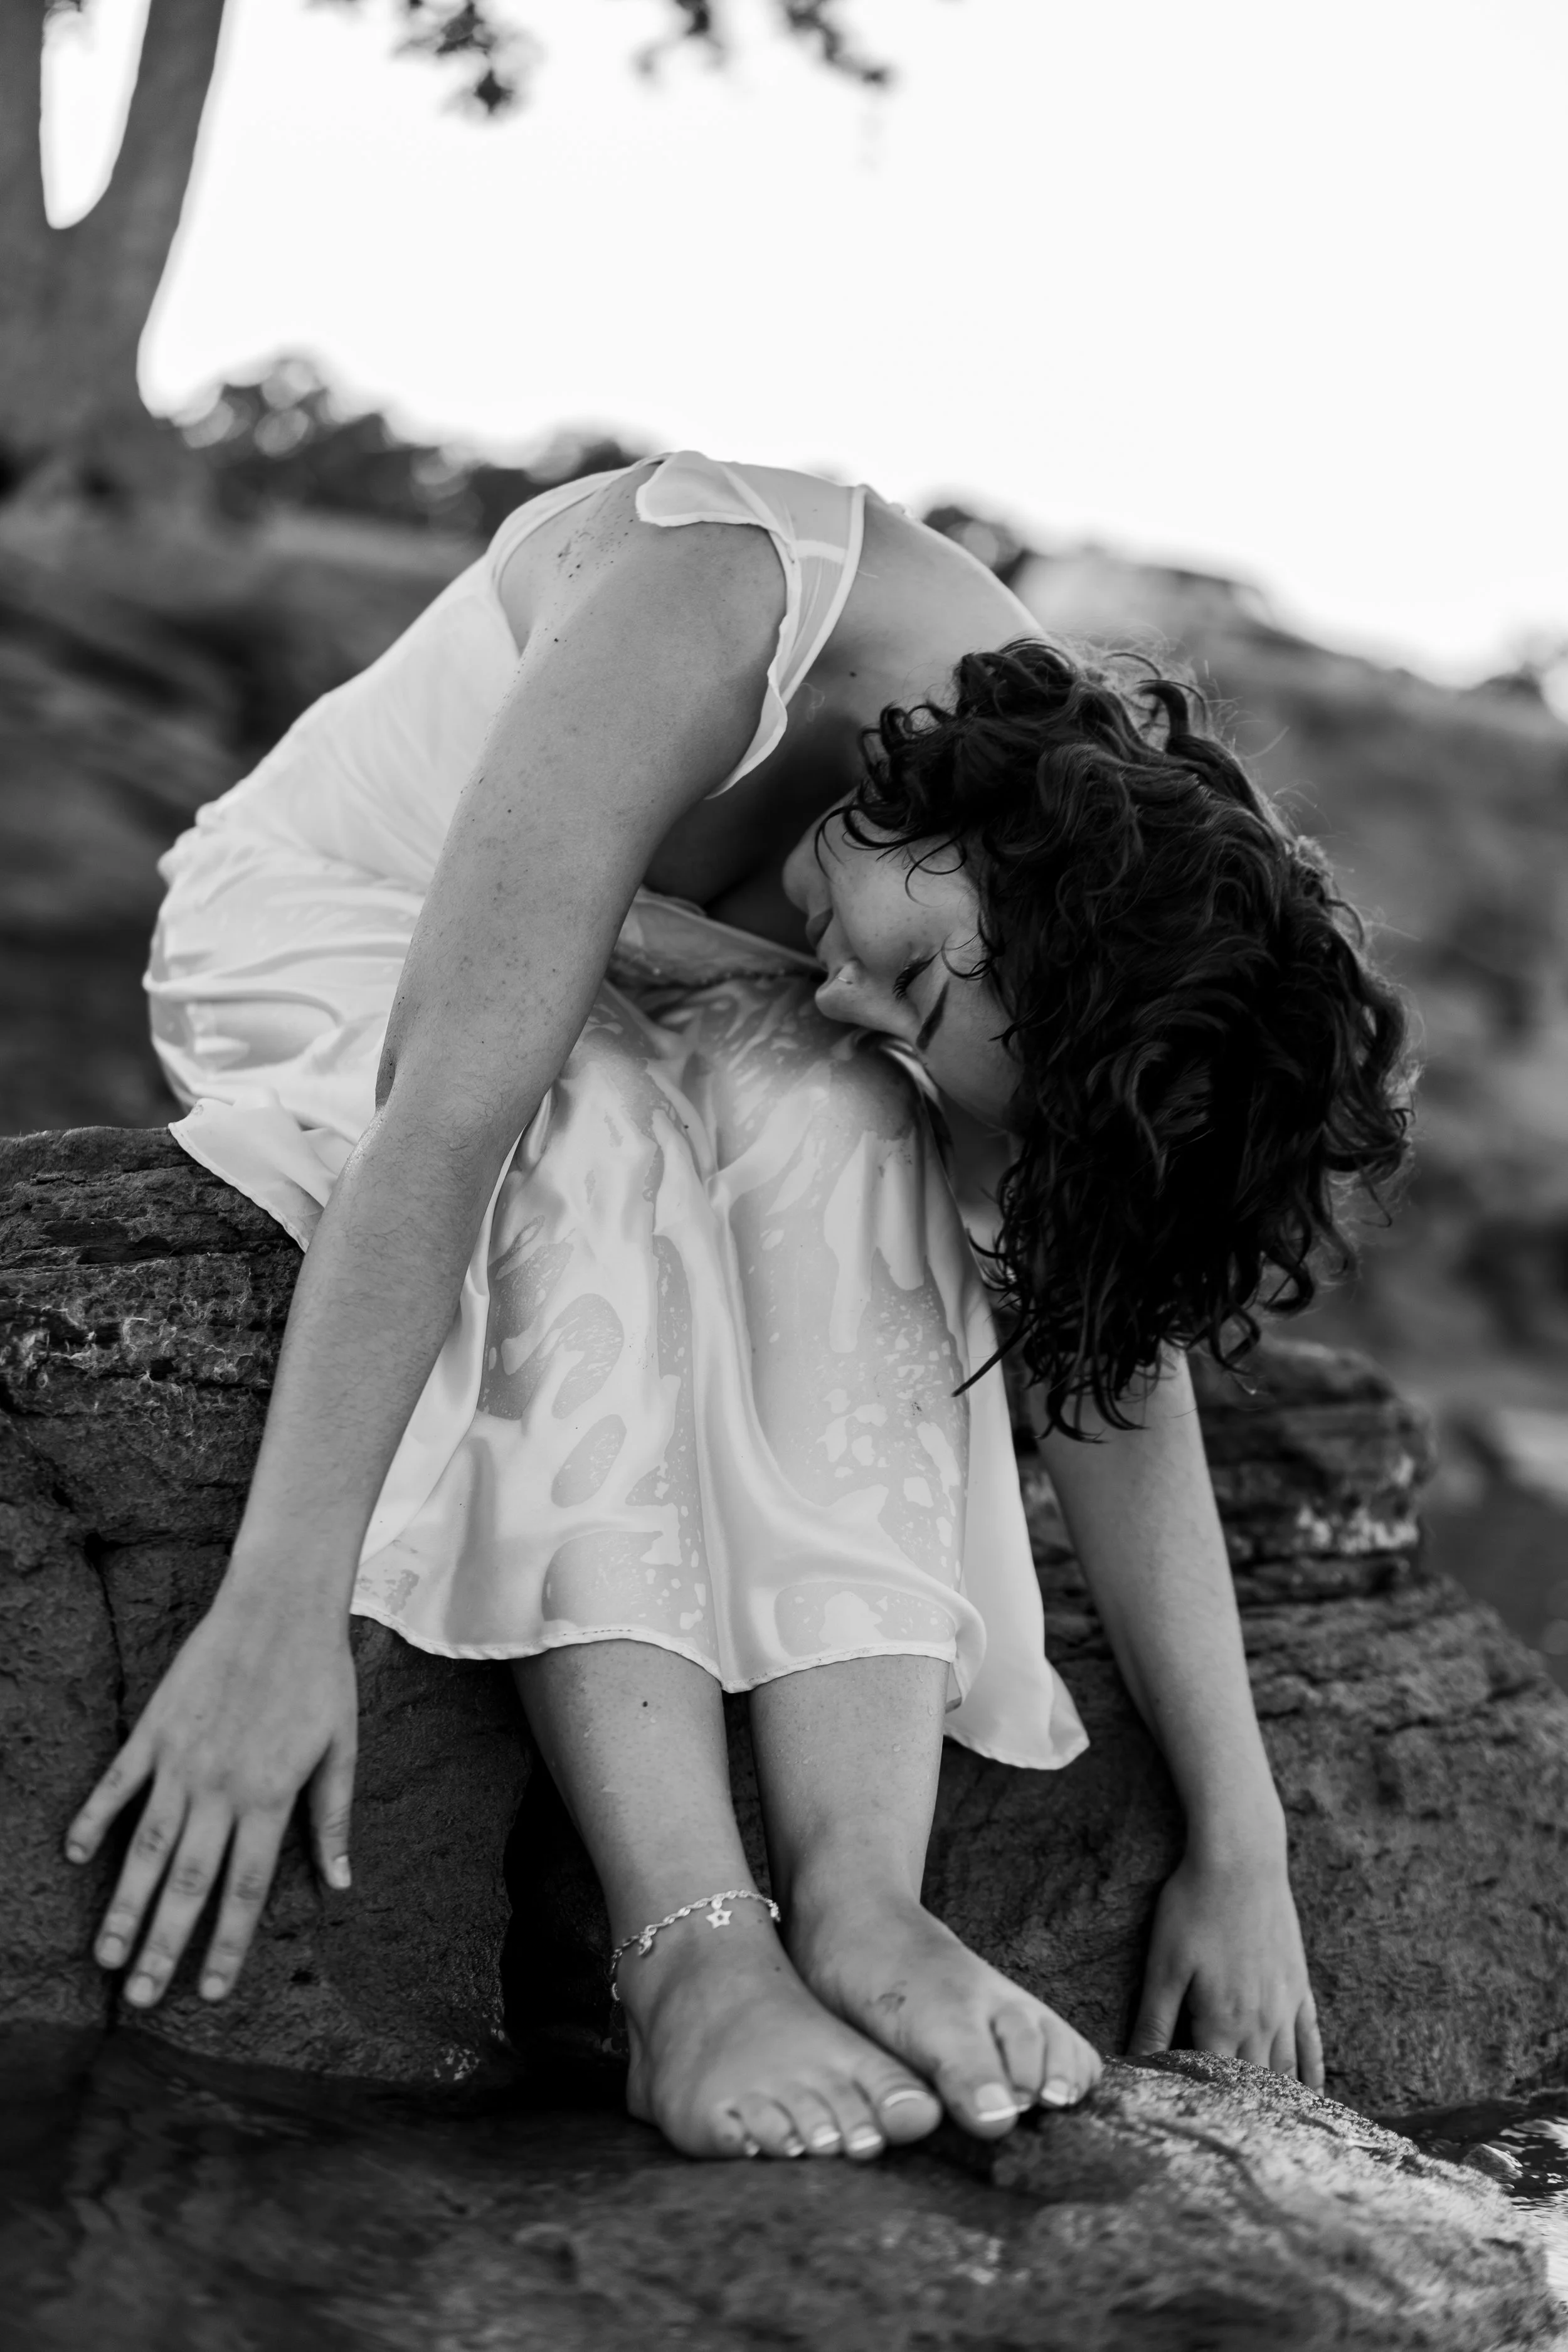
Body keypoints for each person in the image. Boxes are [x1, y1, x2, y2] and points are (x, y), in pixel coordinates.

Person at [63, 453, 1409, 2164]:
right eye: (918, 972)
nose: (854, 992)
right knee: (595, 1120)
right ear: (1014, 835)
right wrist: (279, 1604)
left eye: (913, 1002)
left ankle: (861, 1901)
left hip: (638, 981)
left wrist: (1243, 1836)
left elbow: (1104, 1350)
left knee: (852, 1114)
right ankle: (692, 1951)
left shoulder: (1080, 908)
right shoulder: (715, 610)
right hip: (346, 920)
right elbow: (448, 1125)